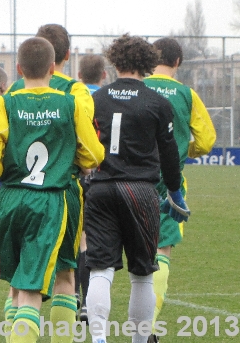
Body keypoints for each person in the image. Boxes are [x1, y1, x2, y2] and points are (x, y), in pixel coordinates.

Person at [0, 37, 104, 343]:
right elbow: (93, 153)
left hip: (10, 197)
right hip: (54, 199)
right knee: (60, 279)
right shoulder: (70, 102)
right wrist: (76, 161)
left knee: (19, 282)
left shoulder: (5, 101)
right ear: (52, 67)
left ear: (19, 68)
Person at [85, 34, 189, 343]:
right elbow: (169, 154)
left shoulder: (96, 99)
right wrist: (174, 191)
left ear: (115, 61)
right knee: (142, 274)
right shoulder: (158, 102)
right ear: (147, 64)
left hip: (101, 189)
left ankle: (100, 339)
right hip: (141, 192)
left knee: (100, 270)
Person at [5, 24, 96, 342]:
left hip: (15, 192)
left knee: (18, 280)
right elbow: (87, 145)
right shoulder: (75, 91)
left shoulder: (13, 90)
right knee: (65, 275)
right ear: (64, 57)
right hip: (61, 192)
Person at [143, 37, 216, 343]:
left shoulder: (136, 87)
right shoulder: (186, 94)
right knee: (161, 252)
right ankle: (147, 327)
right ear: (177, 63)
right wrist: (187, 150)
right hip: (167, 182)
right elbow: (206, 140)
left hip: (128, 177)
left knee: (111, 258)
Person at [75, 53, 107, 322]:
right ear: (104, 75)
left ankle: (72, 293)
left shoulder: (76, 98)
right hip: (104, 176)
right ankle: (86, 301)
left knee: (76, 236)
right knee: (90, 239)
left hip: (78, 173)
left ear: (79, 76)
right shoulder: (109, 98)